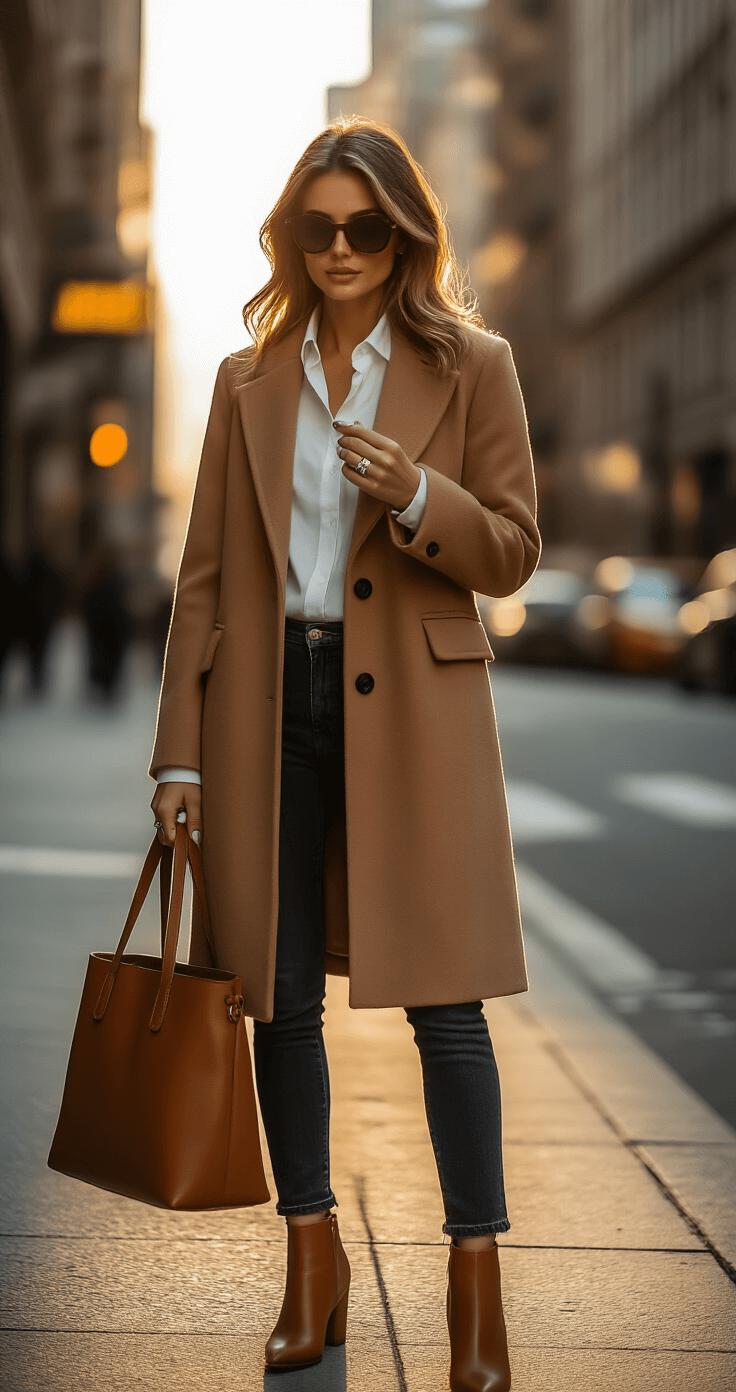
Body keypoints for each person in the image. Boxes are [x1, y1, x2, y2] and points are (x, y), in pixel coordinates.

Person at [150, 117, 540, 1391]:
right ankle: (309, 1266)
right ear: (289, 235)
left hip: (415, 710)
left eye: (365, 226)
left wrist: (418, 500)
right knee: (278, 994)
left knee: (446, 1004)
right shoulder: (245, 380)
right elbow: (203, 583)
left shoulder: (472, 366)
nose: (339, 249)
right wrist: (177, 758)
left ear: (404, 233)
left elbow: (513, 553)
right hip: (268, 707)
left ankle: (475, 1301)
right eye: (315, 227)